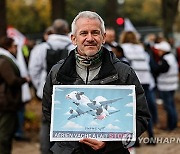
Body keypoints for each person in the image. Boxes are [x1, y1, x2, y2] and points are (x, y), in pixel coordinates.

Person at [42, 11, 150, 154]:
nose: (90, 38)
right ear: (73, 39)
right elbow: (49, 113)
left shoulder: (124, 72)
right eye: (83, 33)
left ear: (103, 37)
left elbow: (141, 116)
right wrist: (71, 139)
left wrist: (111, 142)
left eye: (95, 33)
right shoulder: (57, 73)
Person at [29, 20, 74, 154]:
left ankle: (46, 150)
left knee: (46, 123)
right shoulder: (73, 48)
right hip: (69, 92)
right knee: (69, 122)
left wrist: (40, 87)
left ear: (52, 30)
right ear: (67, 30)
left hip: (46, 92)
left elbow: (33, 70)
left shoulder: (40, 48)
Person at [0, 36, 29, 154]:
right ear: (9, 47)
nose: (16, 49)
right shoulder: (5, 60)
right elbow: (11, 80)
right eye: (14, 46)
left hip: (6, 101)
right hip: (6, 101)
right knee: (4, 133)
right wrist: (24, 80)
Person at [154, 41, 179, 131]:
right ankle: (174, 124)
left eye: (160, 49)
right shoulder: (171, 57)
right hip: (172, 85)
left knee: (168, 106)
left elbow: (161, 69)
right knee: (171, 105)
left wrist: (155, 69)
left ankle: (171, 126)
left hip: (166, 86)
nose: (158, 51)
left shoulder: (165, 59)